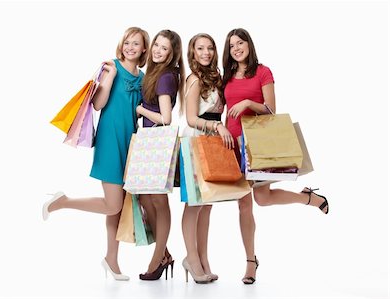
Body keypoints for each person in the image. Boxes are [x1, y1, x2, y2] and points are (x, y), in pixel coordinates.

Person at [222, 28, 330, 284]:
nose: (236, 48)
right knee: (244, 203)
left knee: (262, 198)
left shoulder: (262, 71)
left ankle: (307, 198)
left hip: (258, 144)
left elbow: (271, 109)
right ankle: (251, 262)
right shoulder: (226, 76)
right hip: (232, 145)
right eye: (232, 45)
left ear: (249, 44)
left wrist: (248, 103)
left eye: (241, 43)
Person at [42, 27, 150, 281]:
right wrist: (110, 76)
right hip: (110, 142)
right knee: (112, 204)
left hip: (131, 143)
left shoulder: (144, 78)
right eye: (127, 42)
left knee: (118, 207)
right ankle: (63, 201)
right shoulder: (111, 66)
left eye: (136, 44)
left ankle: (111, 260)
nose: (130, 47)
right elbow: (99, 104)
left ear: (144, 49)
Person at [180, 33, 234, 284]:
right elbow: (191, 118)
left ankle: (204, 259)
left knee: (207, 205)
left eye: (210, 48)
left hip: (212, 142)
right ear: (192, 52)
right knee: (194, 204)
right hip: (194, 141)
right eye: (200, 48)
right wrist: (217, 128)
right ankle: (191, 259)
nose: (206, 52)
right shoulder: (193, 79)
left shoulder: (216, 78)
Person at [135, 29, 185, 281]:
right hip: (148, 142)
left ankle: (158, 259)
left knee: (158, 201)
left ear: (172, 53)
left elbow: (166, 118)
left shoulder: (166, 76)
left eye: (164, 48)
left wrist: (141, 109)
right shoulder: (157, 73)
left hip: (158, 141)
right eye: (156, 44)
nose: (157, 50)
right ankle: (163, 253)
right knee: (144, 199)